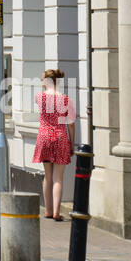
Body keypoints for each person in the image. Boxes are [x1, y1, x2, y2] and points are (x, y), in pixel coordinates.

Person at [32, 68, 76, 220]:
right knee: (58, 178)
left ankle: (48, 210)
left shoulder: (39, 97)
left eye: (43, 79)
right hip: (60, 137)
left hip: (44, 137)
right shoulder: (66, 100)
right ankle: (57, 211)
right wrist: (72, 143)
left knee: (48, 176)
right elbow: (70, 123)